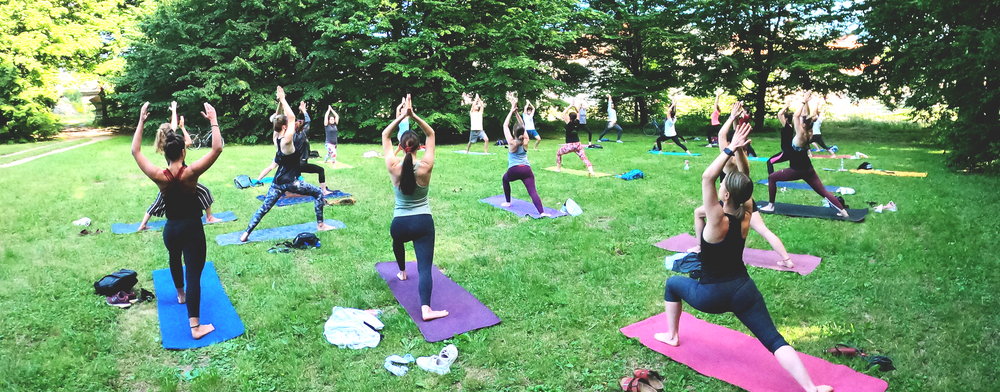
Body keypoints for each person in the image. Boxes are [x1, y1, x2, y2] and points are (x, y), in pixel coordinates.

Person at [654, 124, 833, 392]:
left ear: (725, 194)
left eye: (724, 184)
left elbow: (706, 177)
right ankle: (811, 388)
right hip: (743, 290)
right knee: (774, 340)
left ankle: (672, 335)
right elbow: (744, 177)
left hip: (711, 295)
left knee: (672, 284)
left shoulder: (715, 220)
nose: (722, 182)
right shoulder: (746, 211)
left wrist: (729, 148)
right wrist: (738, 150)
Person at [130, 100, 223, 340]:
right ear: (183, 152)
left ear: (166, 152)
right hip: (192, 229)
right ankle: (195, 328)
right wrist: (213, 121)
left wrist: (141, 121)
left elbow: (136, 152)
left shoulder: (159, 176)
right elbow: (216, 149)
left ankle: (180, 295)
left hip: (171, 230)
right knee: (194, 273)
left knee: (174, 258)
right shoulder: (190, 174)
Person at [688, 101, 794, 268]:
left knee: (699, 213)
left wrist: (731, 117)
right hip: (746, 200)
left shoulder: (729, 163)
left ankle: (701, 246)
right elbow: (728, 139)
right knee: (764, 230)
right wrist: (737, 122)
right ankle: (787, 259)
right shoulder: (743, 165)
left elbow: (722, 136)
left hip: (730, 201)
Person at [381, 95, 448, 321]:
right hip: (422, 223)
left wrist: (401, 116)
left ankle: (401, 271)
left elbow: (384, 135)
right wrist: (413, 115)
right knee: (425, 269)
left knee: (397, 238)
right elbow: (431, 134)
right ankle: (426, 310)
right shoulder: (426, 167)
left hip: (399, 225)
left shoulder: (393, 166)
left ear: (400, 147)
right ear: (419, 147)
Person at [241, 86, 337, 242]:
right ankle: (321, 225)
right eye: (287, 124)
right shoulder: (287, 141)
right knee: (319, 193)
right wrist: (283, 98)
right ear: (285, 127)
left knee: (264, 208)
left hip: (277, 182)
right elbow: (291, 117)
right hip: (292, 183)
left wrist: (279, 102)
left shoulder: (276, 139)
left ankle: (246, 234)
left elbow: (277, 118)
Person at [759, 93, 849, 218]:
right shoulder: (809, 134)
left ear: (803, 125)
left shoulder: (800, 134)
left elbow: (797, 116)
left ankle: (771, 205)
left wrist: (802, 101)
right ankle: (844, 212)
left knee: (772, 178)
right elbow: (804, 116)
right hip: (808, 169)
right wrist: (806, 103)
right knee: (822, 191)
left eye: (802, 121)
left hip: (797, 170)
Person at [139, 110, 221, 230]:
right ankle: (209, 217)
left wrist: (181, 125)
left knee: (158, 201)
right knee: (204, 191)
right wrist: (176, 113)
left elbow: (135, 151)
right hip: (183, 178)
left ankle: (143, 224)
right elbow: (191, 142)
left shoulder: (167, 145)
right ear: (183, 153)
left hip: (169, 179)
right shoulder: (175, 144)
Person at [501, 99, 549, 216]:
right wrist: (517, 113)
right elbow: (523, 126)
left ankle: (508, 202)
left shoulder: (512, 143)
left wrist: (512, 111)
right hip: (526, 170)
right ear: (523, 132)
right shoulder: (526, 141)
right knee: (533, 192)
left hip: (514, 170)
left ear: (514, 133)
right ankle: (542, 212)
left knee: (505, 179)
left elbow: (505, 125)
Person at [294, 101, 333, 194]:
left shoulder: (293, 135)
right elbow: (308, 121)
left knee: (294, 177)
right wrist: (304, 110)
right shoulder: (303, 134)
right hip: (301, 164)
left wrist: (300, 112)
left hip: (294, 165)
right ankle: (324, 191)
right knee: (321, 170)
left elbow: (299, 122)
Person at [556, 105, 595, 176]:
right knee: (584, 158)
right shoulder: (578, 122)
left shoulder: (569, 123)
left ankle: (558, 169)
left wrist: (570, 106)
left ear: (569, 118)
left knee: (558, 153)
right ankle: (592, 171)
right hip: (578, 145)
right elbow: (578, 113)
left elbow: (564, 113)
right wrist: (575, 107)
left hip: (570, 145)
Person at [766, 99, 796, 175]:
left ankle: (771, 179)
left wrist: (786, 106)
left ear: (786, 119)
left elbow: (779, 114)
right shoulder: (791, 126)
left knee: (769, 162)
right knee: (793, 168)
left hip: (787, 151)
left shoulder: (786, 126)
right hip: (791, 151)